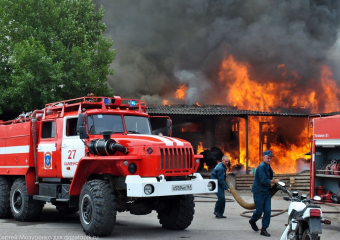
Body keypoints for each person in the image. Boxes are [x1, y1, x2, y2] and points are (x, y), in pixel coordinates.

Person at [249, 150, 279, 237]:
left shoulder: (268, 166)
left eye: (270, 158)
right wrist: (274, 181)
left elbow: (270, 176)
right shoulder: (261, 167)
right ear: (264, 157)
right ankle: (252, 220)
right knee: (259, 210)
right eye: (268, 158)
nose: (269, 160)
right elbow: (263, 181)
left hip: (266, 192)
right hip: (259, 192)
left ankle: (264, 229)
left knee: (267, 211)